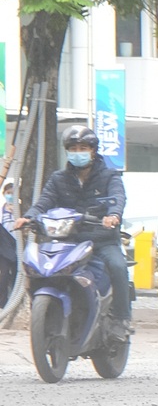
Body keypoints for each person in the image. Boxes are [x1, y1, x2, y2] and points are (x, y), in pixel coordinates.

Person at [25, 128, 131, 328]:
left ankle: (121, 319)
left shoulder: (109, 176)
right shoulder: (59, 178)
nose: (78, 152)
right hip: (68, 242)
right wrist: (29, 217)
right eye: (73, 148)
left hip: (102, 241)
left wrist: (113, 215)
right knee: (40, 269)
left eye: (83, 148)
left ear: (93, 151)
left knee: (118, 267)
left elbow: (118, 199)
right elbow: (43, 203)